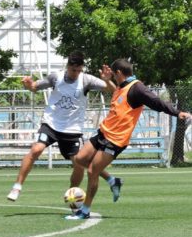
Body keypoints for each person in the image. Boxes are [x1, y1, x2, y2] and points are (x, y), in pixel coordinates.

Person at [65, 58, 191, 220]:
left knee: (92, 171)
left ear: (119, 73)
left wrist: (177, 113)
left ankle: (85, 211)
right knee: (80, 159)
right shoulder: (122, 86)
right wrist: (107, 80)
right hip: (103, 133)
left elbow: (156, 102)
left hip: (115, 140)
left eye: (114, 75)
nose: (114, 78)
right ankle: (112, 180)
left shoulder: (137, 88)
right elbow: (115, 91)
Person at [7, 51, 123, 203]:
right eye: (73, 70)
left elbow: (113, 90)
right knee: (36, 149)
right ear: (67, 66)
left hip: (72, 129)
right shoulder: (56, 77)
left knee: (79, 164)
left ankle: (77, 194)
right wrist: (29, 84)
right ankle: (17, 187)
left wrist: (107, 81)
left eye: (79, 70)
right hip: (51, 124)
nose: (76, 73)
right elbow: (35, 86)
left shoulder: (86, 80)